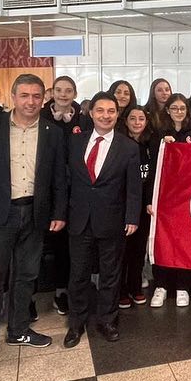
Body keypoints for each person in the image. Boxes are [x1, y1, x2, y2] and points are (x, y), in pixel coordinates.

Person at [0, 74, 68, 366]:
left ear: (43, 98)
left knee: (27, 275)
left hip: (34, 212)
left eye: (36, 96)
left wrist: (59, 211)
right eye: (24, 95)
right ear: (13, 96)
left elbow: (60, 175)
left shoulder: (52, 132)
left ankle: (18, 330)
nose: (30, 102)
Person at [64, 92, 140, 346]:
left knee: (110, 274)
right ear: (91, 113)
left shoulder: (128, 147)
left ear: (117, 115)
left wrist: (132, 217)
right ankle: (76, 323)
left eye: (111, 111)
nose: (105, 116)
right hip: (79, 219)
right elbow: (65, 180)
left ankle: (107, 320)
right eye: (100, 110)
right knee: (78, 274)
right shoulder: (75, 141)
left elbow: (133, 187)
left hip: (113, 219)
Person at [40, 75, 81, 316]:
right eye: (59, 90)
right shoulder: (41, 117)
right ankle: (31, 296)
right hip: (47, 189)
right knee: (44, 243)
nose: (63, 94)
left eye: (68, 90)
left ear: (75, 94)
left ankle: (63, 291)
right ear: (52, 92)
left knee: (67, 245)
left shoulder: (83, 119)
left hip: (74, 189)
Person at [152, 93, 191, 307]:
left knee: (184, 242)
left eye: (182, 108)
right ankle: (161, 285)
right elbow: (153, 166)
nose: (179, 112)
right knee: (163, 241)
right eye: (175, 108)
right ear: (168, 110)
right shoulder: (158, 133)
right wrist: (163, 144)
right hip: (165, 197)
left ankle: (183, 286)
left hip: (188, 197)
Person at [118, 106, 156, 309]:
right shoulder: (119, 144)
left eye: (141, 118)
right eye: (132, 118)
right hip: (123, 206)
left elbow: (152, 177)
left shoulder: (151, 144)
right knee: (123, 250)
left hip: (144, 206)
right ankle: (121, 290)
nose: (137, 122)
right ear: (125, 121)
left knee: (139, 249)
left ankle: (135, 286)